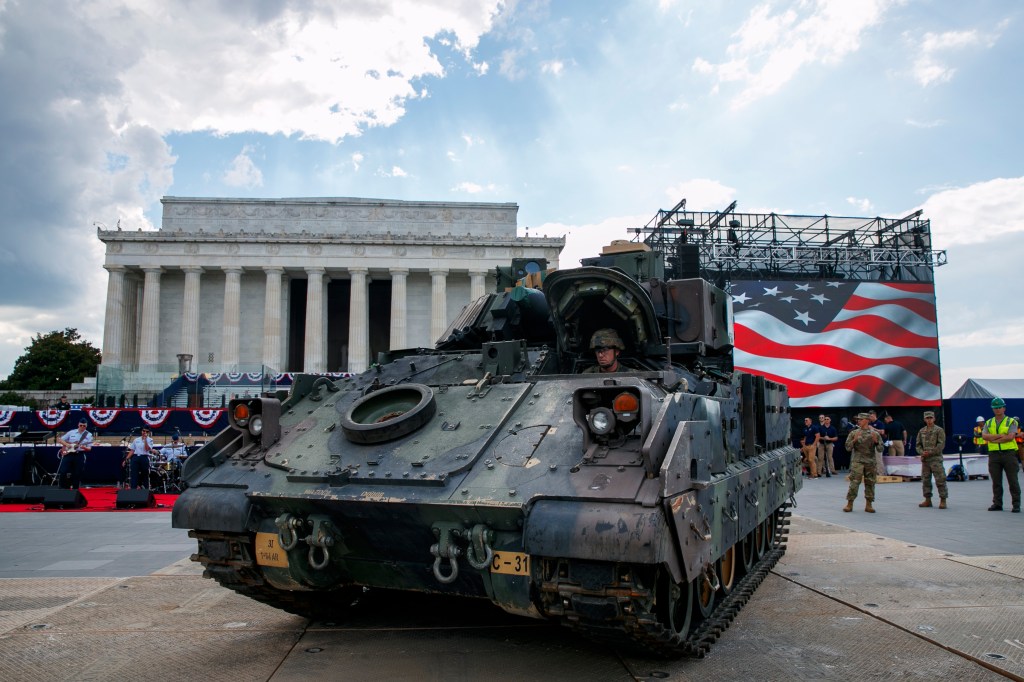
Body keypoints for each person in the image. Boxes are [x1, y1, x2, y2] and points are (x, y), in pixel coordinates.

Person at [981, 397, 1021, 512]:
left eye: (999, 407)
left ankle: (1016, 504)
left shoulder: (1011, 421)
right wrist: (1000, 436)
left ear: (1004, 408)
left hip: (1009, 454)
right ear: (992, 409)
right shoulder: (989, 422)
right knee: (996, 481)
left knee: (1013, 480)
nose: (997, 409)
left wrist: (993, 439)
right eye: (995, 408)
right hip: (994, 455)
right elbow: (984, 436)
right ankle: (997, 503)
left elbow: (1010, 437)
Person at [844, 412, 880, 512]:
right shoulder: (854, 433)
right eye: (858, 419)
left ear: (867, 420)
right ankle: (849, 503)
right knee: (854, 483)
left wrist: (876, 441)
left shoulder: (874, 433)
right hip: (858, 461)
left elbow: (880, 449)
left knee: (870, 483)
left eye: (861, 419)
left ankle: (869, 504)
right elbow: (847, 448)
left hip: (870, 462)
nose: (858, 421)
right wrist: (854, 440)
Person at [915, 411, 948, 509]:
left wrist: (931, 452)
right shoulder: (922, 431)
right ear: (924, 419)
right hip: (925, 460)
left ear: (934, 419)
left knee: (940, 479)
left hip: (935, 459)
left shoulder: (939, 430)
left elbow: (941, 444)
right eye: (927, 418)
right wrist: (922, 452)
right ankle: (927, 499)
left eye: (930, 418)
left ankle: (943, 499)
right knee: (926, 480)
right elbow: (918, 445)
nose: (929, 420)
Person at [57, 418, 93, 489]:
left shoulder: (88, 435)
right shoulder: (72, 432)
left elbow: (89, 448)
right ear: (78, 425)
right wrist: (67, 444)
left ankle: (75, 488)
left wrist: (83, 447)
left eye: (84, 426)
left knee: (78, 472)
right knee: (63, 470)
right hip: (69, 453)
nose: (82, 427)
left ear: (86, 426)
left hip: (79, 454)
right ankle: (62, 487)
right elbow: (60, 440)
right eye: (81, 425)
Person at [868, 410, 886, 474]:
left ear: (875, 415)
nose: (870, 418)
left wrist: (873, 428)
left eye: (871, 416)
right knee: (871, 459)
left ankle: (881, 473)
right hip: (871, 443)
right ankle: (874, 472)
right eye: (869, 416)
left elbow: (882, 432)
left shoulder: (879, 423)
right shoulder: (869, 423)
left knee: (878, 459)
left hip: (878, 443)